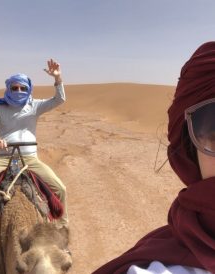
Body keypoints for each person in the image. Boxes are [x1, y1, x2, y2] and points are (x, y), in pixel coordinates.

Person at [92, 42, 215, 274]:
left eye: (21, 88)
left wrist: (58, 83)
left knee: (56, 192)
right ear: (190, 148)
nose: (18, 92)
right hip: (15, 153)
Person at [0, 59, 68, 228]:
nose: (18, 91)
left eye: (23, 88)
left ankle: (61, 229)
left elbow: (59, 99)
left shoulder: (34, 106)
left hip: (30, 159)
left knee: (60, 189)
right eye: (14, 88)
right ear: (8, 89)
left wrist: (58, 78)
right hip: (3, 158)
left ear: (28, 89)